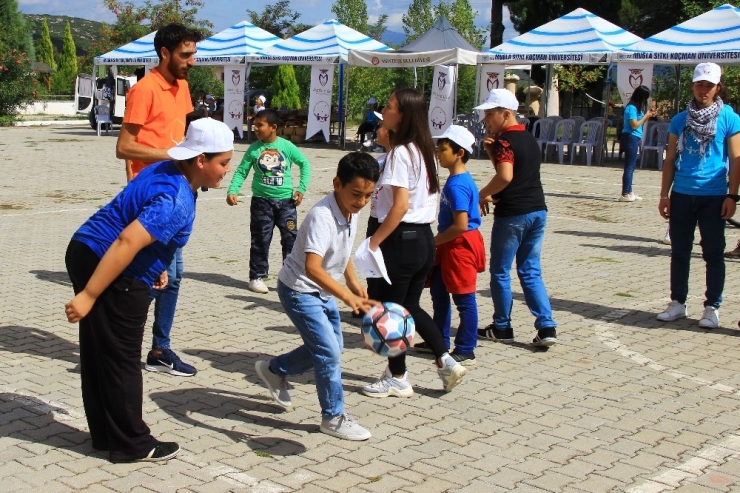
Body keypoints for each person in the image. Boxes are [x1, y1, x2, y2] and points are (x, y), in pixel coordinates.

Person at [64, 118, 234, 463]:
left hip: (84, 250)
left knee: (100, 353)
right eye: (223, 162)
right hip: (110, 267)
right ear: (200, 160)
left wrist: (156, 267)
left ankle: (105, 435)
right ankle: (133, 444)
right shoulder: (177, 200)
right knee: (123, 360)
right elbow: (127, 240)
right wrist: (90, 295)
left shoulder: (166, 169)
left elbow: (135, 219)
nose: (226, 171)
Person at [255, 152, 379, 440]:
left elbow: (342, 247)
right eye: (356, 194)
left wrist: (352, 278)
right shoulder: (322, 216)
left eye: (368, 195)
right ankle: (333, 417)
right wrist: (349, 297)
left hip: (322, 291)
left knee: (329, 348)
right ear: (337, 183)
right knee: (329, 353)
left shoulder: (350, 209)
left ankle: (275, 370)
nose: (361, 201)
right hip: (299, 291)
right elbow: (312, 267)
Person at [361, 87, 467, 398]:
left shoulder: (401, 153)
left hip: (400, 238)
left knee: (389, 312)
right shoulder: (424, 151)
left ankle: (398, 376)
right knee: (408, 306)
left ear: (404, 114)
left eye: (390, 105)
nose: (384, 109)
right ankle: (445, 360)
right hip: (422, 240)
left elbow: (400, 206)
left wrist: (374, 243)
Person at [115, 23, 204, 377]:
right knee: (156, 276)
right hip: (152, 196)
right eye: (185, 54)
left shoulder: (181, 85)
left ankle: (157, 349)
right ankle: (121, 340)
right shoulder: (143, 89)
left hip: (178, 190)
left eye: (193, 53)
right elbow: (124, 147)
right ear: (165, 53)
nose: (191, 61)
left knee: (173, 276)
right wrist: (170, 156)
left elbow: (183, 131)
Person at [657, 62, 740, 329]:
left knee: (713, 253)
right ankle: (678, 302)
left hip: (714, 194)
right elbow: (670, 159)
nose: (704, 90)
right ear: (693, 86)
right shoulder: (680, 120)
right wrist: (664, 194)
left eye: (709, 85)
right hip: (682, 193)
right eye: (699, 84)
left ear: (718, 88)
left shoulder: (729, 117)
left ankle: (712, 307)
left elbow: (736, 159)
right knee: (679, 251)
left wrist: (732, 196)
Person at [476, 89, 558, 347]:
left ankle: (502, 326)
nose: (485, 121)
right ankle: (546, 326)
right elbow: (515, 173)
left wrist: (481, 195)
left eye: (490, 114)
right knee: (530, 270)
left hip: (513, 215)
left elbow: (505, 177)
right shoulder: (528, 138)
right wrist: (492, 153)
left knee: (500, 271)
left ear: (506, 114)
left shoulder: (505, 142)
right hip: (537, 210)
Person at [226, 108, 311, 294]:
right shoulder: (254, 149)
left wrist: (301, 188)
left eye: (259, 125)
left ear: (273, 127)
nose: (255, 128)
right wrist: (233, 190)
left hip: (286, 204)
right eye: (254, 124)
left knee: (291, 240)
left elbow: (304, 164)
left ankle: (291, 277)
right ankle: (256, 277)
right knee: (260, 240)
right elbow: (242, 171)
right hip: (261, 203)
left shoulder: (287, 146)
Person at [422, 125, 485, 365]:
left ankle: (466, 347)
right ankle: (438, 341)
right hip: (448, 245)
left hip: (459, 246)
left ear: (459, 153)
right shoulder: (455, 180)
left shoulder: (458, 185)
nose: (438, 153)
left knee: (463, 298)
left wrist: (432, 242)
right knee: (439, 292)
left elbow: (460, 224)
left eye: (443, 149)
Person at [620, 86, 655, 202]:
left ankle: (629, 191)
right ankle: (624, 194)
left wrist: (649, 115)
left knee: (632, 166)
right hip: (630, 137)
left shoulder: (637, 108)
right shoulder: (631, 108)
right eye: (645, 98)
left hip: (635, 138)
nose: (645, 101)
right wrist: (646, 117)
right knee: (629, 167)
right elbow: (634, 125)